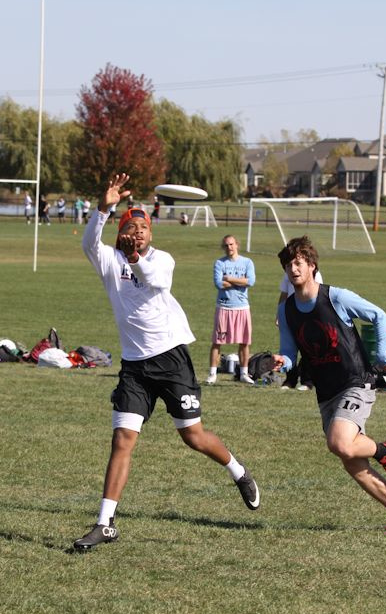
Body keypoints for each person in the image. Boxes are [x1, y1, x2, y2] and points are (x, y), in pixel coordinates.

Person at [74, 173, 260, 552]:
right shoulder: (110, 261)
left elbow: (155, 280)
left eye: (144, 228)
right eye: (132, 228)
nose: (139, 232)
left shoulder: (162, 260)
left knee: (193, 436)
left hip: (171, 359)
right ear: (121, 233)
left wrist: (135, 258)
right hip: (134, 367)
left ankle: (238, 471)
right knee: (122, 439)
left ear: (151, 234)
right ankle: (105, 523)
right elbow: (89, 242)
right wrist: (104, 209)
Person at [272, 236, 386, 533]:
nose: (293, 269)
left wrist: (381, 356)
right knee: (349, 458)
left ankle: (384, 451)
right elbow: (289, 354)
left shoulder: (335, 297)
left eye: (298, 263)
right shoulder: (286, 311)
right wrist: (278, 362)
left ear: (312, 266)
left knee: (339, 442)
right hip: (326, 390)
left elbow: (378, 315)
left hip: (356, 380)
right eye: (288, 265)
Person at [206, 235, 256, 385]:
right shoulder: (219, 263)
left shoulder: (247, 262)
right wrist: (241, 281)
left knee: (244, 342)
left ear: (237, 245)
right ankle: (212, 374)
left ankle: (244, 374)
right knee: (217, 342)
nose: (229, 247)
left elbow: (251, 281)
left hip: (242, 307)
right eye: (226, 245)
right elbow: (218, 284)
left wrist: (229, 279)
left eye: (232, 244)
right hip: (224, 306)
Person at [277, 268, 323, 391]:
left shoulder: (315, 274)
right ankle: (290, 380)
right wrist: (278, 315)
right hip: (291, 313)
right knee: (288, 348)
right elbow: (284, 293)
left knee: (307, 348)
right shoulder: (288, 273)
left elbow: (318, 294)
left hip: (308, 315)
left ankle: (307, 381)